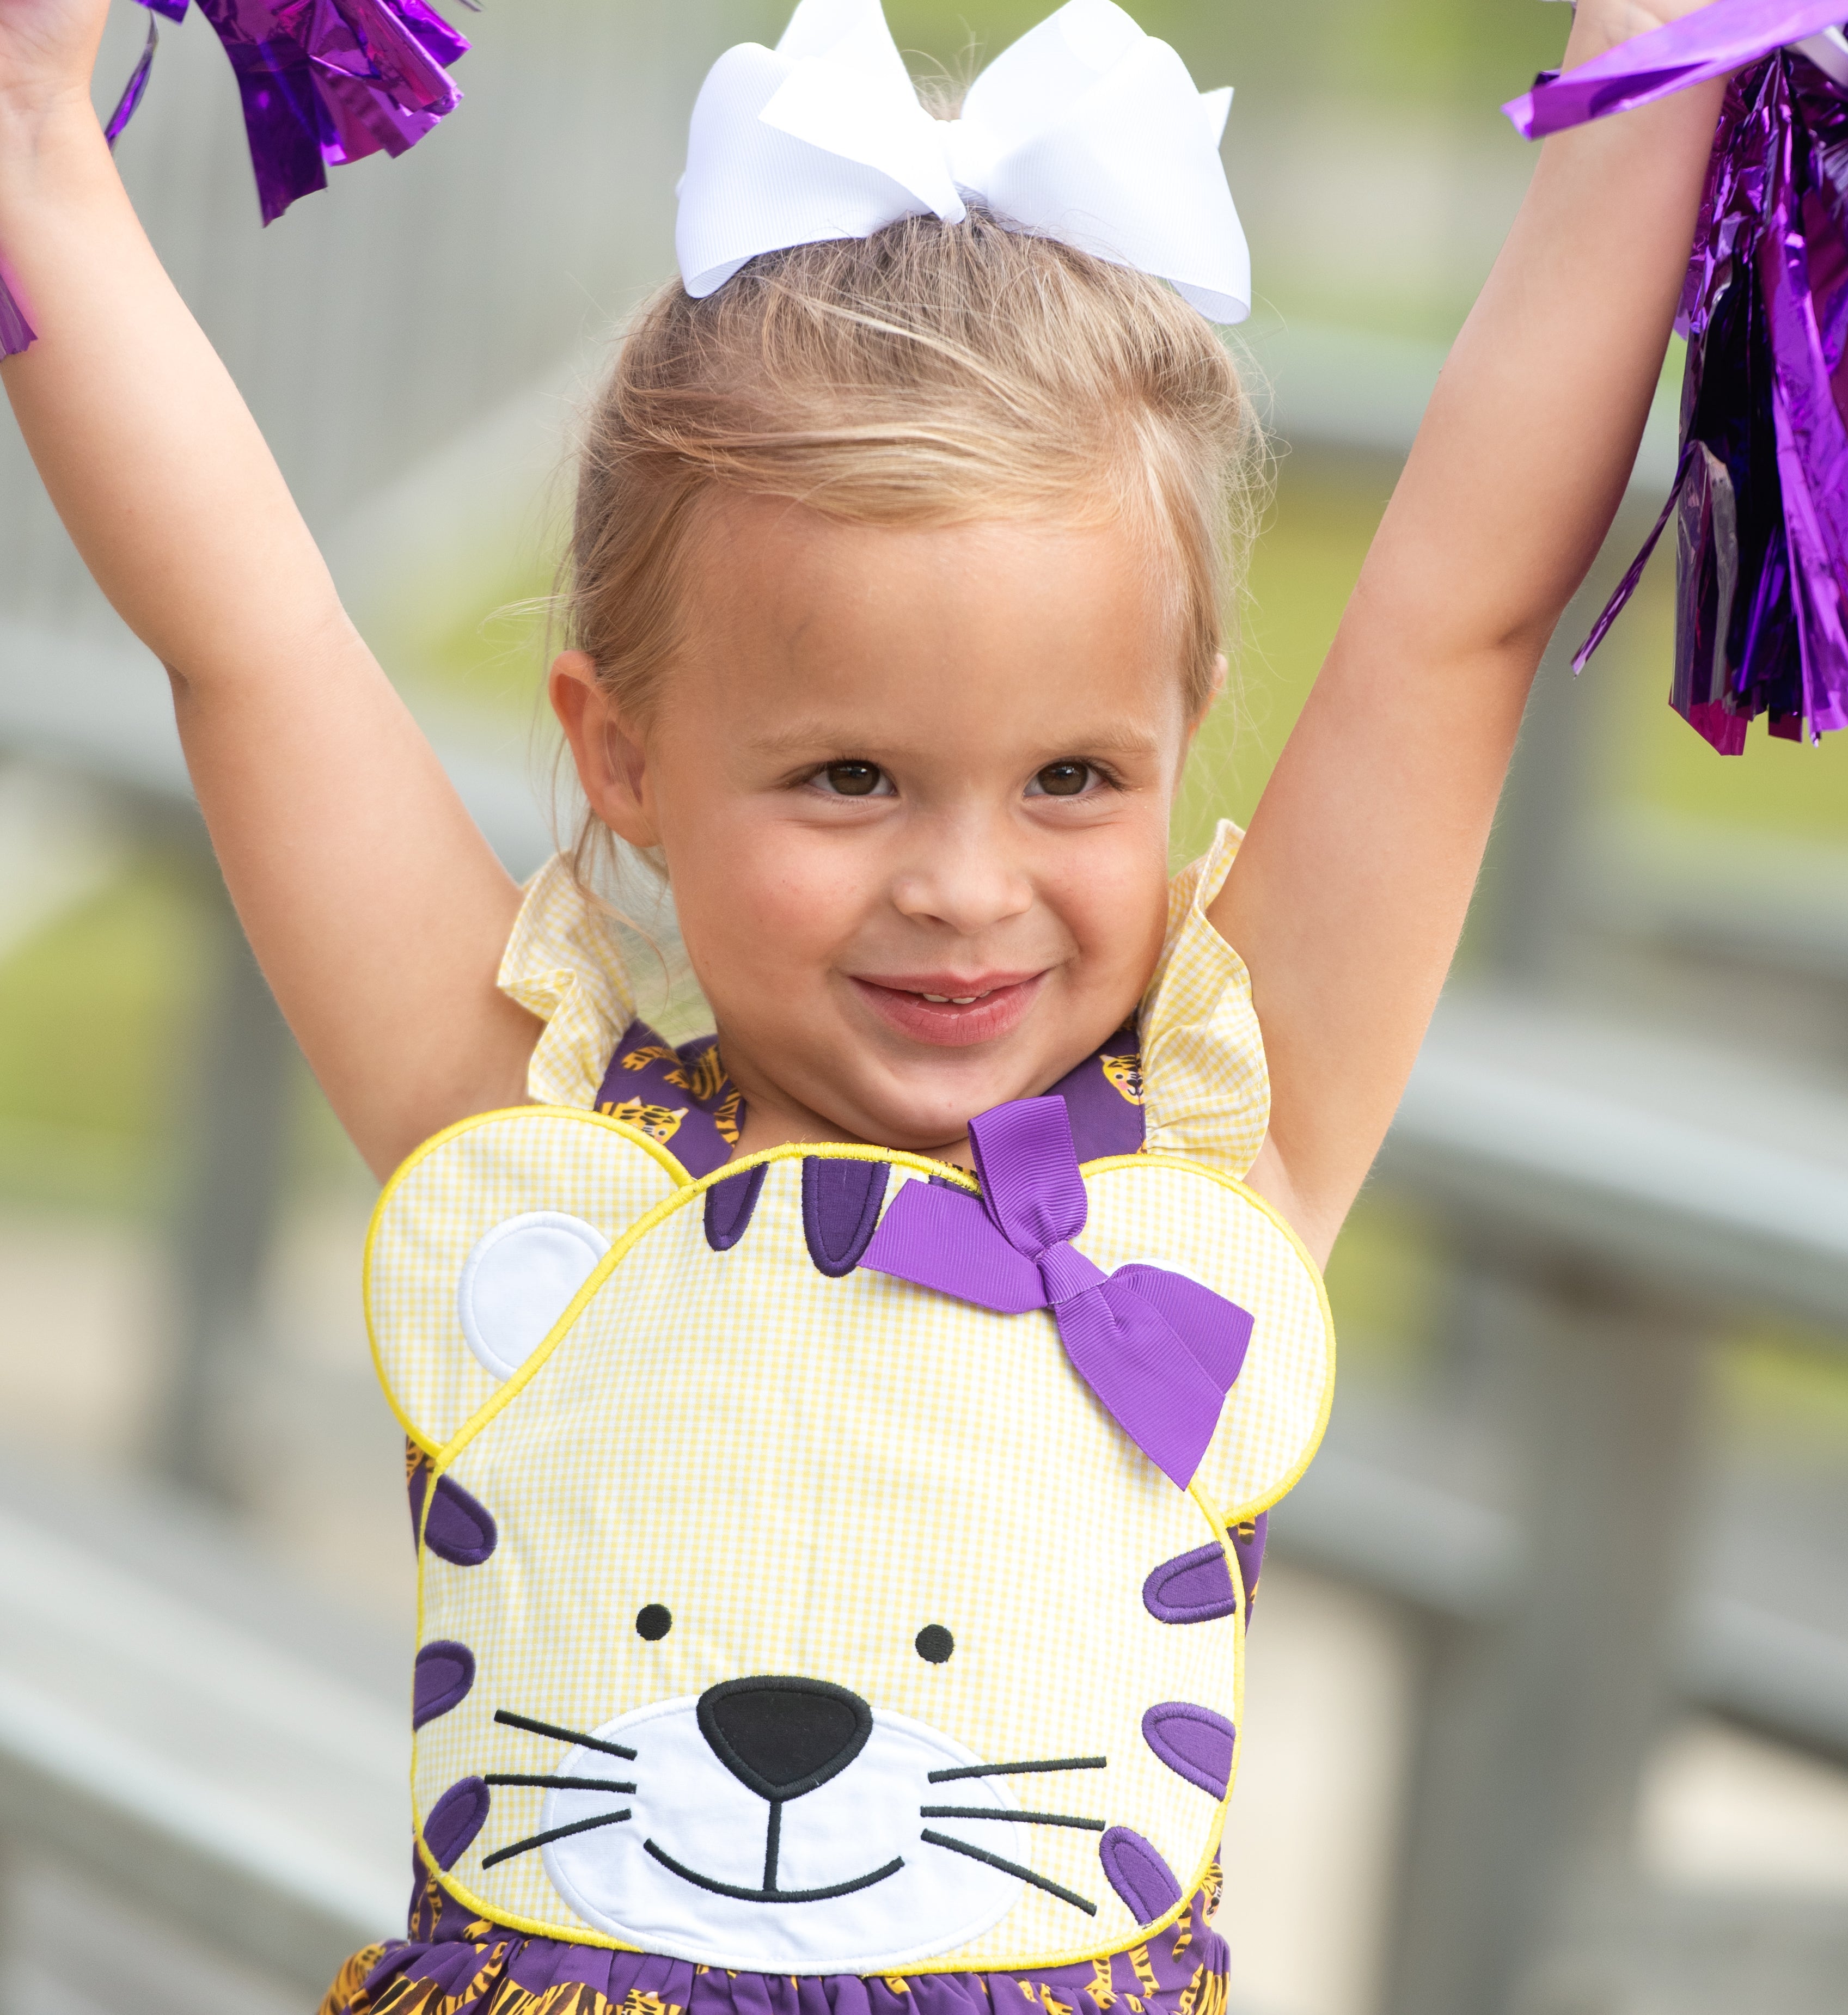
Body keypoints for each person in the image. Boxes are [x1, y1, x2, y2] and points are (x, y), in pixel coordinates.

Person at [0, 0, 1724, 2007]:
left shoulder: (1214, 1181)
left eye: (1073, 778)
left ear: (1180, 746)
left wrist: (1659, 68)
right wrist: (36, 137)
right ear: (621, 755)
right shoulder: (528, 1169)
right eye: (849, 777)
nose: (964, 888)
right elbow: (255, 640)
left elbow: (1461, 619)